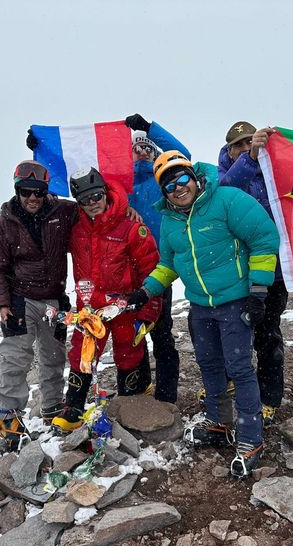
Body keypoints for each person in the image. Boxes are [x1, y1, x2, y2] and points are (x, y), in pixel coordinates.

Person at [126, 151, 280, 478]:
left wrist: (258, 291)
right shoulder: (169, 221)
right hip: (200, 306)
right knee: (209, 364)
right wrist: (145, 291)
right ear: (163, 192)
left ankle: (251, 437)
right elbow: (168, 264)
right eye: (169, 185)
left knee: (238, 366)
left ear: (194, 176)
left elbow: (264, 238)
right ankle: (218, 422)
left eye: (182, 179)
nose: (178, 188)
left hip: (236, 301)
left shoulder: (225, 199)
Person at [51, 167, 163, 432]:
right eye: (85, 199)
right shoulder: (75, 228)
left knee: (129, 352)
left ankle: (130, 400)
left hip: (125, 306)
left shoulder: (131, 227)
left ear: (105, 192)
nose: (93, 203)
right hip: (90, 309)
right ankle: (73, 409)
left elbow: (151, 269)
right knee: (82, 354)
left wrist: (148, 313)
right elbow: (46, 217)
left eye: (97, 195)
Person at [0, 160, 78, 450]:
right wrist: (2, 303)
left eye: (38, 192)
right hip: (19, 300)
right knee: (16, 357)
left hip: (54, 298)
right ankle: (8, 416)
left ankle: (52, 406)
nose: (32, 198)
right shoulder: (3, 225)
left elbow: (94, 203)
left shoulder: (62, 211)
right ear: (17, 191)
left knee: (54, 355)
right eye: (26, 191)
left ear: (45, 191)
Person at [217, 121, 287, 426]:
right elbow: (225, 192)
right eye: (240, 146)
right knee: (232, 335)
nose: (246, 149)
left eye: (250, 143)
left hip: (274, 272)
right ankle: (232, 382)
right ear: (230, 151)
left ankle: (269, 397)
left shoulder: (280, 175)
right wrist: (252, 157)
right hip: (234, 274)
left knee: (268, 335)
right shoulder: (224, 178)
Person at [122, 113, 191, 403]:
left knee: (161, 333)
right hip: (126, 270)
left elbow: (183, 155)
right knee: (130, 334)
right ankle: (137, 390)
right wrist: (42, 148)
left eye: (148, 147)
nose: (142, 152)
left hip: (161, 268)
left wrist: (149, 128)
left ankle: (166, 397)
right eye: (137, 147)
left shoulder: (162, 179)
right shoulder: (118, 183)